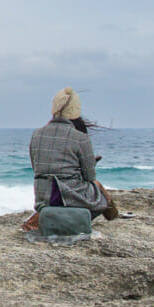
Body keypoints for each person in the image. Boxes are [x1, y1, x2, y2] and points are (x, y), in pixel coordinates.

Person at [23, 87, 117, 231]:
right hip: (66, 195)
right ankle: (114, 216)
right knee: (98, 187)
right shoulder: (80, 137)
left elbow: (37, 168)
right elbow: (89, 176)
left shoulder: (36, 134)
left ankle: (41, 218)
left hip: (43, 196)